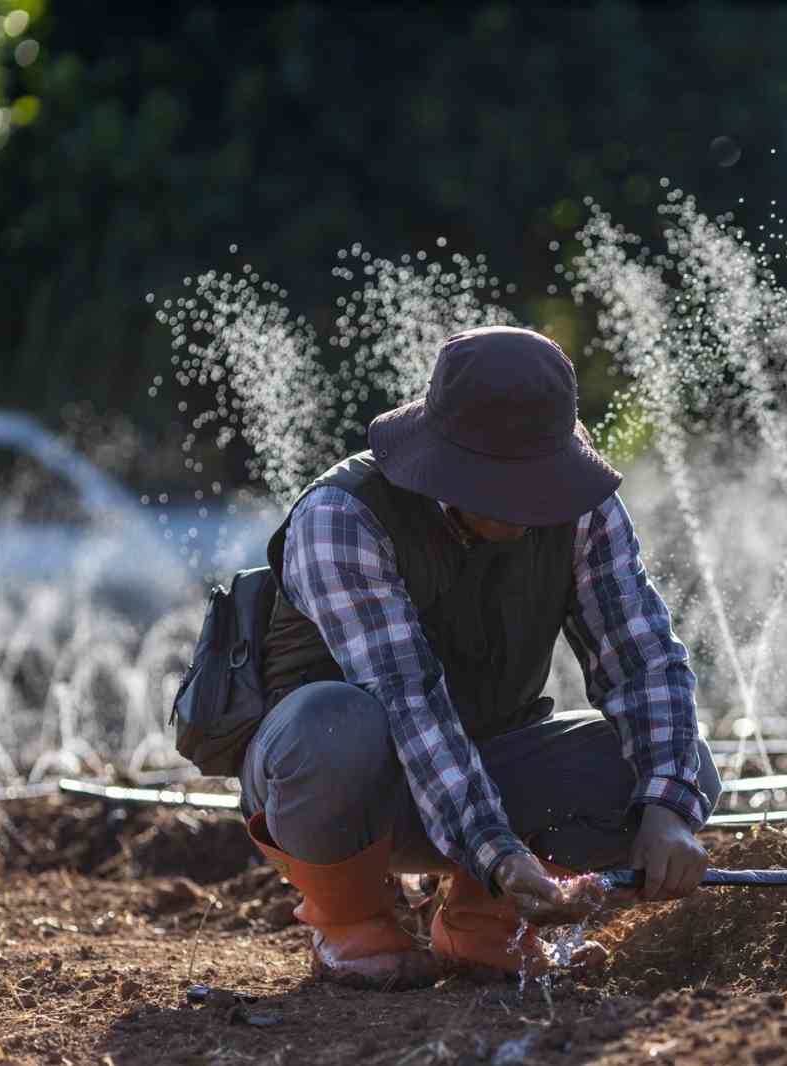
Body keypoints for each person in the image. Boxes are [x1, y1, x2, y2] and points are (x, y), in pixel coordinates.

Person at [239, 325, 721, 987]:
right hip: (341, 785)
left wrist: (669, 809)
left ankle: (484, 921)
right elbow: (407, 703)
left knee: (681, 763)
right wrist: (496, 848)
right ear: (444, 464)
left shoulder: (582, 508)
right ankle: (352, 920)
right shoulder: (343, 518)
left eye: (539, 483)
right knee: (335, 724)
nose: (529, 509)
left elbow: (642, 658)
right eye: (505, 487)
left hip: (487, 770)